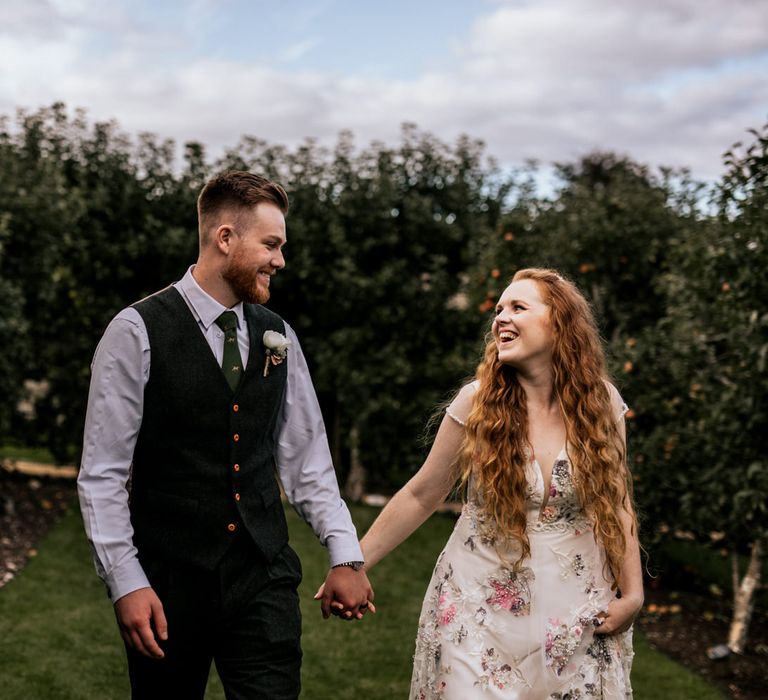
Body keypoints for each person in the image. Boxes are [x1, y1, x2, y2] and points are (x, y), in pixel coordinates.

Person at [77, 170, 373, 700]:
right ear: (226, 238)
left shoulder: (278, 336)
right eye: (271, 244)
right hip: (167, 584)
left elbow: (307, 463)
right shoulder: (135, 331)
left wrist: (345, 556)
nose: (280, 260)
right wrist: (126, 582)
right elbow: (103, 475)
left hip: (262, 576)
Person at [333, 268, 642, 698]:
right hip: (478, 612)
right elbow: (422, 495)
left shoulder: (601, 404)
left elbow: (618, 500)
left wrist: (633, 594)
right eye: (498, 309)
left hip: (577, 612)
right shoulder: (478, 403)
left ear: (559, 323)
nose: (501, 318)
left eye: (518, 307)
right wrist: (351, 564)